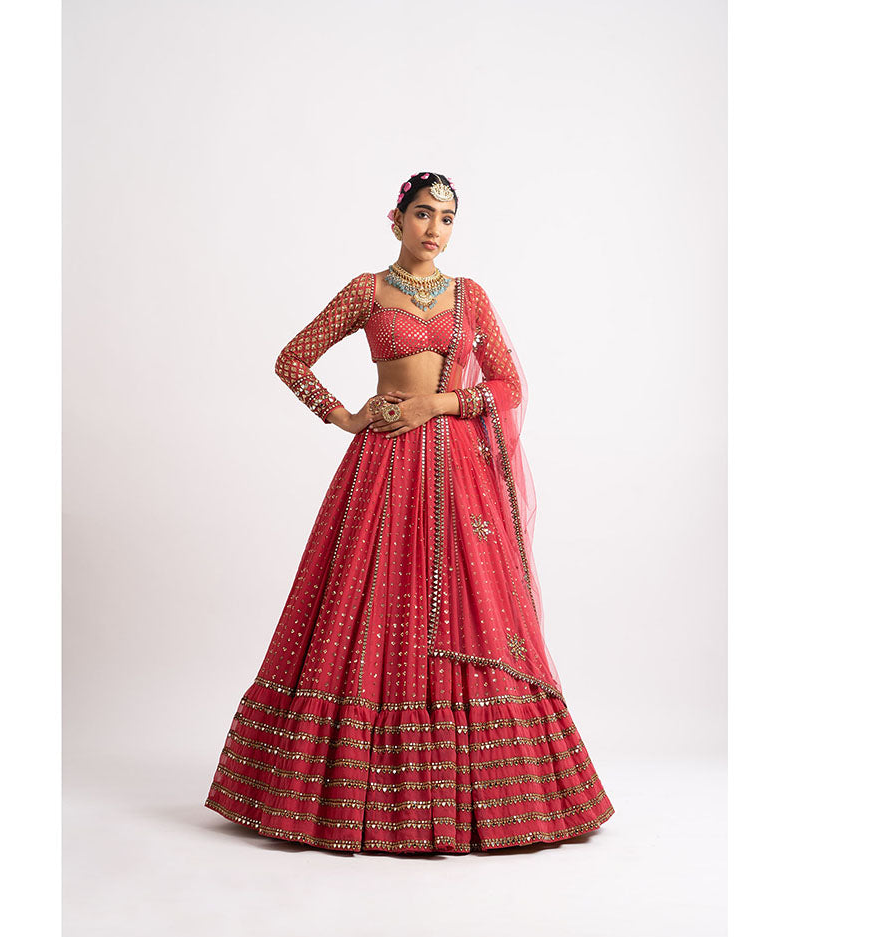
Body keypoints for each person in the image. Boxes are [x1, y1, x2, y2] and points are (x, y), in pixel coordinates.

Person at [204, 171, 615, 853]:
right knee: (367, 600)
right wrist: (344, 415)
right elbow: (292, 360)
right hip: (383, 464)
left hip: (458, 473)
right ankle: (335, 791)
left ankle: (499, 798)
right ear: (395, 220)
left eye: (447, 218)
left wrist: (439, 403)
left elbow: (508, 385)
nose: (435, 229)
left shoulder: (470, 296)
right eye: (423, 214)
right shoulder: (367, 291)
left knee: (473, 608)